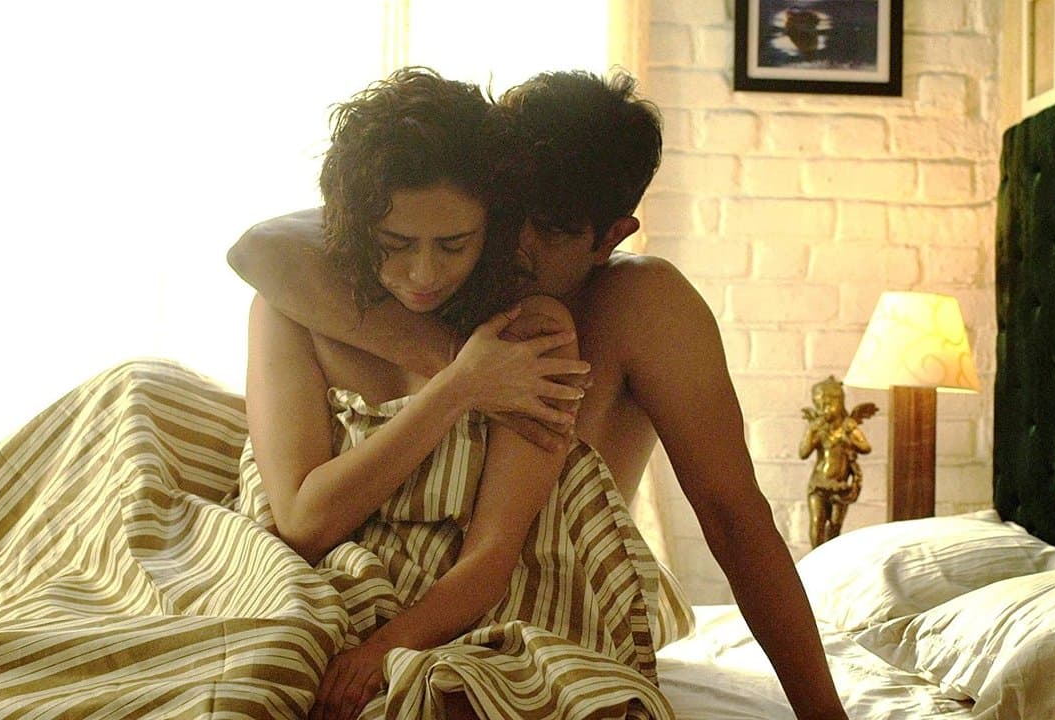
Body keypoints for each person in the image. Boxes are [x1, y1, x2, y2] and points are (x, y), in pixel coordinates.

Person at [229, 69, 850, 719]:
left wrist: (822, 713)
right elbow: (259, 248)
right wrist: (465, 375)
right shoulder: (433, 263)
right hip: (356, 569)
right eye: (507, 216)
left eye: (549, 229)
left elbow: (733, 517)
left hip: (529, 608)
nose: (517, 246)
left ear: (611, 236)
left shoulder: (640, 304)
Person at [799, 375, 876, 547]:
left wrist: (848, 440)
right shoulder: (818, 428)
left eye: (828, 404)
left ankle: (831, 556)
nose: (823, 409)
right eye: (819, 405)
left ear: (839, 402)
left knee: (835, 526)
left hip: (840, 486)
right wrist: (811, 431)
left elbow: (866, 447)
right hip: (819, 483)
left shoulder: (848, 426)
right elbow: (803, 453)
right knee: (817, 521)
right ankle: (815, 555)